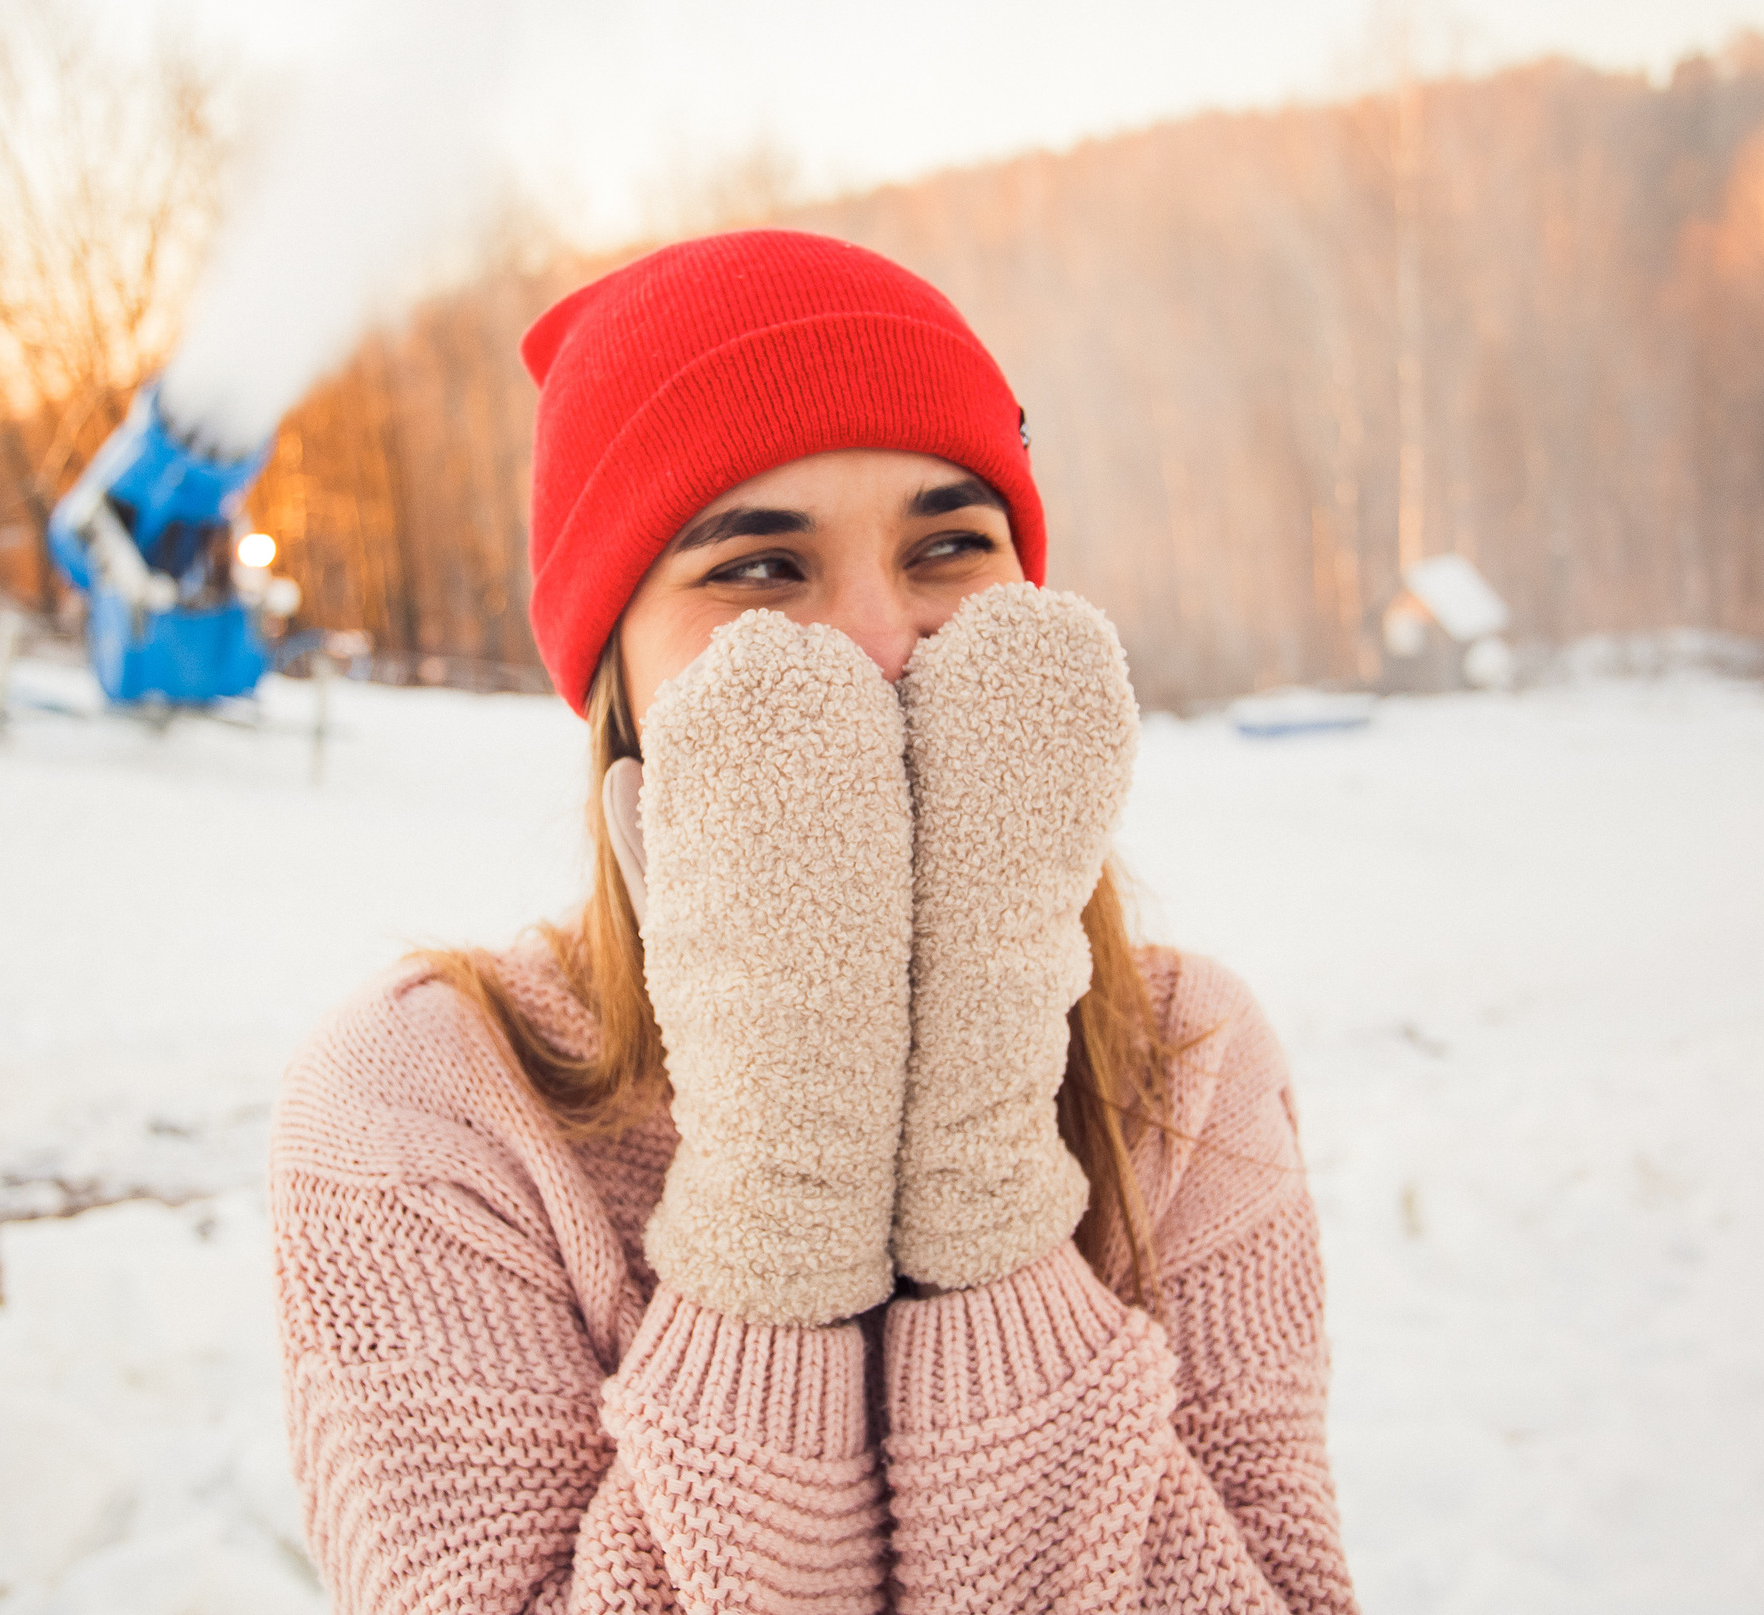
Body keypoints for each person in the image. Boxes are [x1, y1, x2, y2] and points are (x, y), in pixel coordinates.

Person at [270, 229, 1358, 1613]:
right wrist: (777, 1198)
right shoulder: (422, 1102)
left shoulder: (1185, 1055)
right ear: (622, 683)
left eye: (949, 547)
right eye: (761, 572)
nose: (880, 643)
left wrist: (985, 1164)